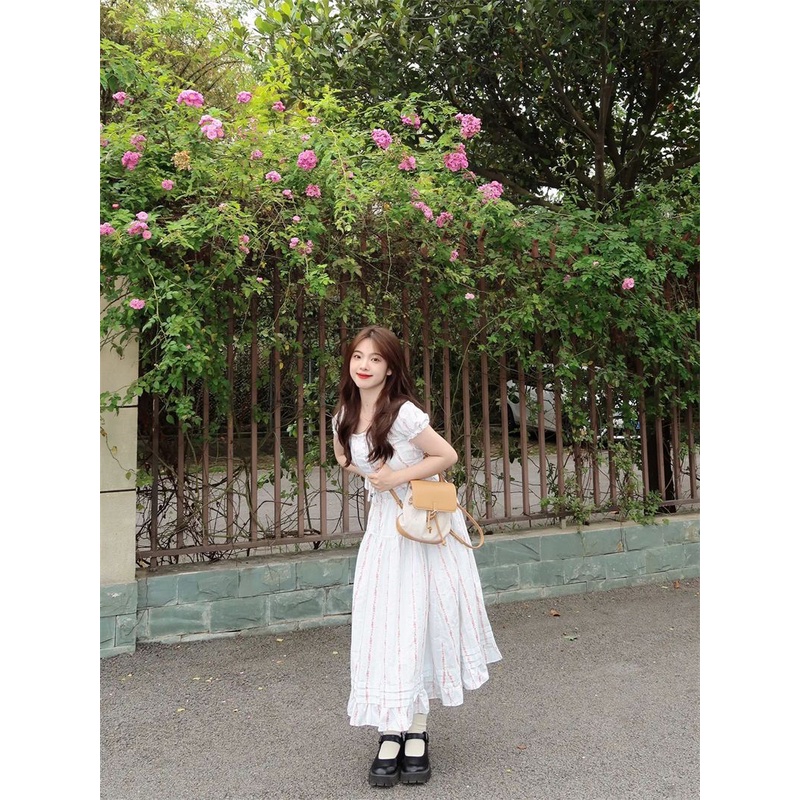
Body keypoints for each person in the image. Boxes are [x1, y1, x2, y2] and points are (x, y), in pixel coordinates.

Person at [332, 325, 502, 788]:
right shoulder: (345, 413)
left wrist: (396, 477)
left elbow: (445, 455)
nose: (364, 365)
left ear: (390, 368)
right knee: (386, 626)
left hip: (424, 531)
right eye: (358, 356)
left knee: (420, 625)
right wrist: (371, 477)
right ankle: (390, 730)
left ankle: (416, 732)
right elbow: (344, 457)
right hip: (385, 533)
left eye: (375, 359)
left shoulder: (403, 413)